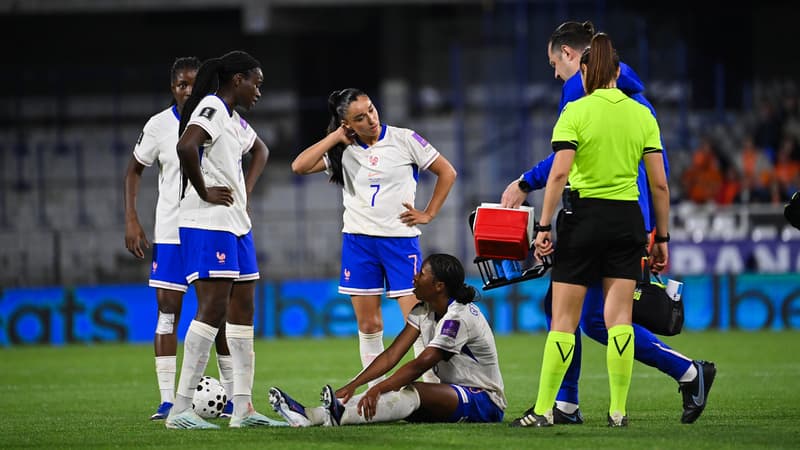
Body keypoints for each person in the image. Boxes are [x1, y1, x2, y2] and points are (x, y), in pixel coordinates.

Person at [501, 21, 715, 426]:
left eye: (554, 63)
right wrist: (657, 232)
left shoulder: (578, 95)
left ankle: (560, 406)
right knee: (604, 319)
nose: (555, 73)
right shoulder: (640, 107)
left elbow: (564, 165)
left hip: (587, 217)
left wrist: (532, 197)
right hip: (632, 217)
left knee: (573, 315)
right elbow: (660, 178)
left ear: (573, 57)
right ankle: (635, 401)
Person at [290, 88, 457, 384]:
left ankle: (431, 388)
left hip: (400, 242)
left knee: (418, 320)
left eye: (371, 110)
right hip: (359, 243)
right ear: (347, 124)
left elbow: (447, 172)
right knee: (369, 324)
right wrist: (335, 138)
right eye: (359, 117)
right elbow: (299, 166)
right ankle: (375, 392)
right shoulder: (343, 150)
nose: (370, 119)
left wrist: (428, 213)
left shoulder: (404, 140)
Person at [164, 50, 284, 429]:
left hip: (235, 222)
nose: (258, 92)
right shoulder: (213, 107)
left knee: (244, 308)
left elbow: (261, 150)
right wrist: (203, 190)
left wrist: (243, 191)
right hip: (208, 221)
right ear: (238, 80)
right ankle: (180, 408)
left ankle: (243, 408)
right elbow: (186, 146)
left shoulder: (234, 119)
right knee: (213, 309)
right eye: (256, 84)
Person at [268, 253, 506, 426]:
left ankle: (330, 416)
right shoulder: (423, 310)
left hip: (484, 400)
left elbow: (421, 363)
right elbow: (393, 354)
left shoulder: (458, 317)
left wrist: (379, 387)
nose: (414, 277)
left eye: (422, 273)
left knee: (415, 391)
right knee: (403, 402)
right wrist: (355, 384)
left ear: (438, 286)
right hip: (452, 394)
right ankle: (312, 415)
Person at [123, 56, 234, 421]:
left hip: (207, 228)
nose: (187, 90)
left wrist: (241, 192)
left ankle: (233, 396)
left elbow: (257, 149)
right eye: (181, 84)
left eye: (193, 83)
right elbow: (134, 170)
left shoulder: (219, 114)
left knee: (215, 314)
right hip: (171, 231)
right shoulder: (158, 126)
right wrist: (132, 219)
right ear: (172, 88)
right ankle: (168, 400)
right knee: (168, 313)